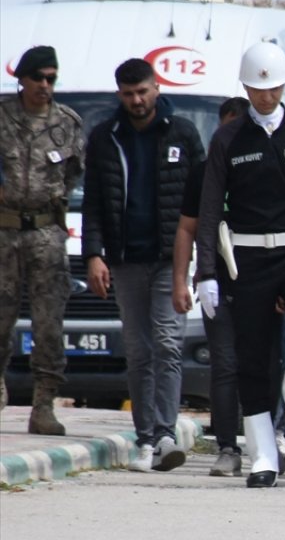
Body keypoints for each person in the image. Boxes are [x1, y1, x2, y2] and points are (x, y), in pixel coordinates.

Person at [195, 42, 285, 488]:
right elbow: (208, 211)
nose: (265, 96)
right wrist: (206, 273)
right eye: (257, 88)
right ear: (245, 87)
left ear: (283, 86)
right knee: (252, 356)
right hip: (247, 256)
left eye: (272, 87)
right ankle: (262, 454)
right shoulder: (227, 138)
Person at [81, 58, 205, 472]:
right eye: (129, 93)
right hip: (126, 259)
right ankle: (146, 438)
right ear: (120, 94)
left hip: (171, 258)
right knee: (138, 350)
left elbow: (202, 196)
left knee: (169, 343)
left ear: (157, 88)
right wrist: (94, 253)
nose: (137, 100)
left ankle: (166, 433)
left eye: (143, 91)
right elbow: (95, 201)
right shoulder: (105, 137)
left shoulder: (182, 133)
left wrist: (199, 260)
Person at [0, 45, 85, 435]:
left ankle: (44, 404)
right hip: (4, 231)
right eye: (39, 78)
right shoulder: (1, 116)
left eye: (52, 78)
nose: (46, 86)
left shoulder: (67, 123)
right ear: (23, 79)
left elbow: (73, 175)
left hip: (47, 235)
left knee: (49, 323)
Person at [173, 97, 248, 477]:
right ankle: (227, 446)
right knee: (225, 363)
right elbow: (187, 228)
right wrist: (185, 280)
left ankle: (272, 440)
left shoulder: (259, 164)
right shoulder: (203, 173)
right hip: (216, 277)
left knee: (265, 362)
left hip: (261, 277)